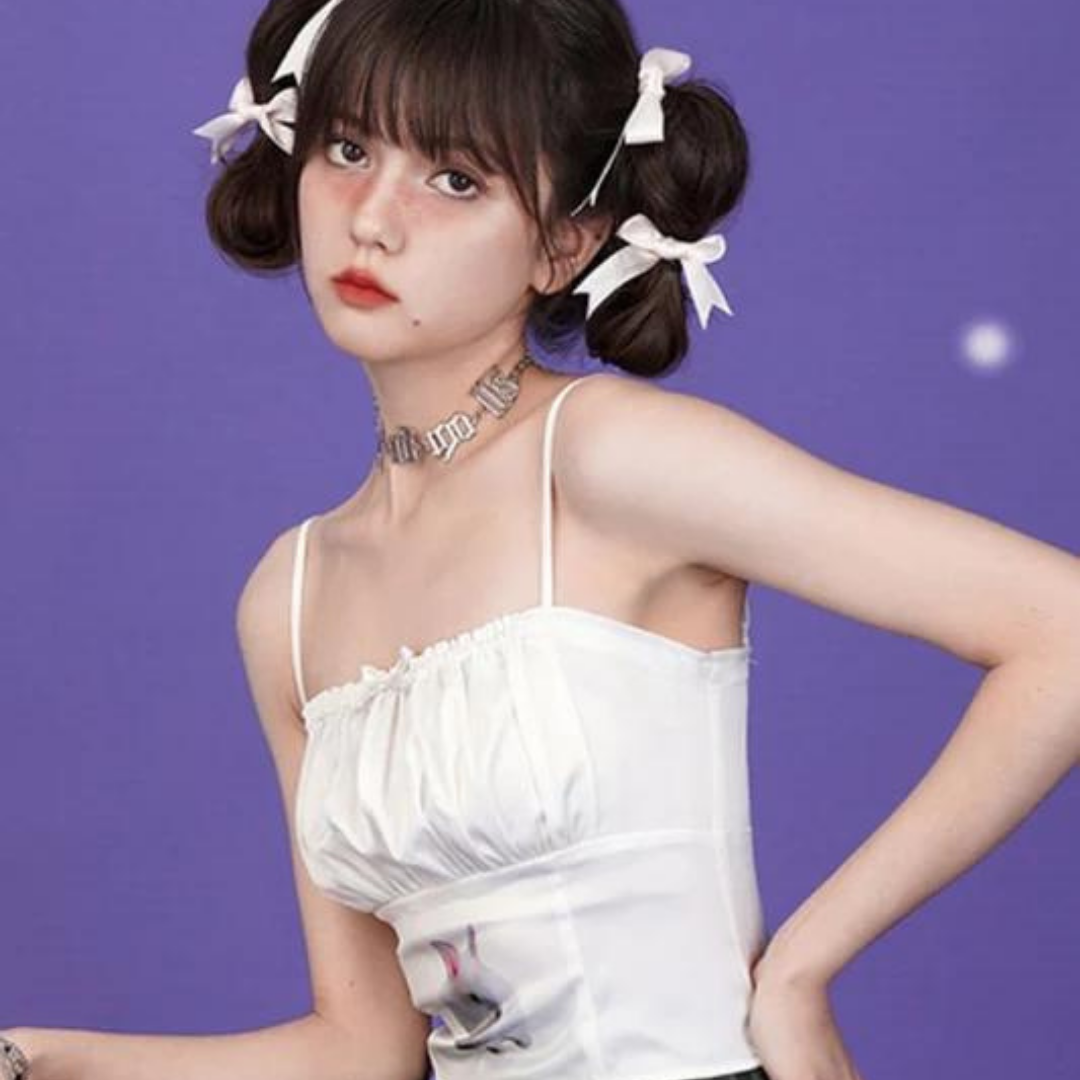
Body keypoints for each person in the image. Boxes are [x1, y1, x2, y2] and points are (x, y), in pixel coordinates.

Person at [5, 1, 1079, 1079]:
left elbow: (1061, 629)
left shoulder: (606, 456)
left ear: (564, 245)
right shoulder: (287, 597)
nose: (372, 218)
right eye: (348, 149)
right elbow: (367, 1045)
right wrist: (41, 1057)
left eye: (455, 178)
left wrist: (801, 968)